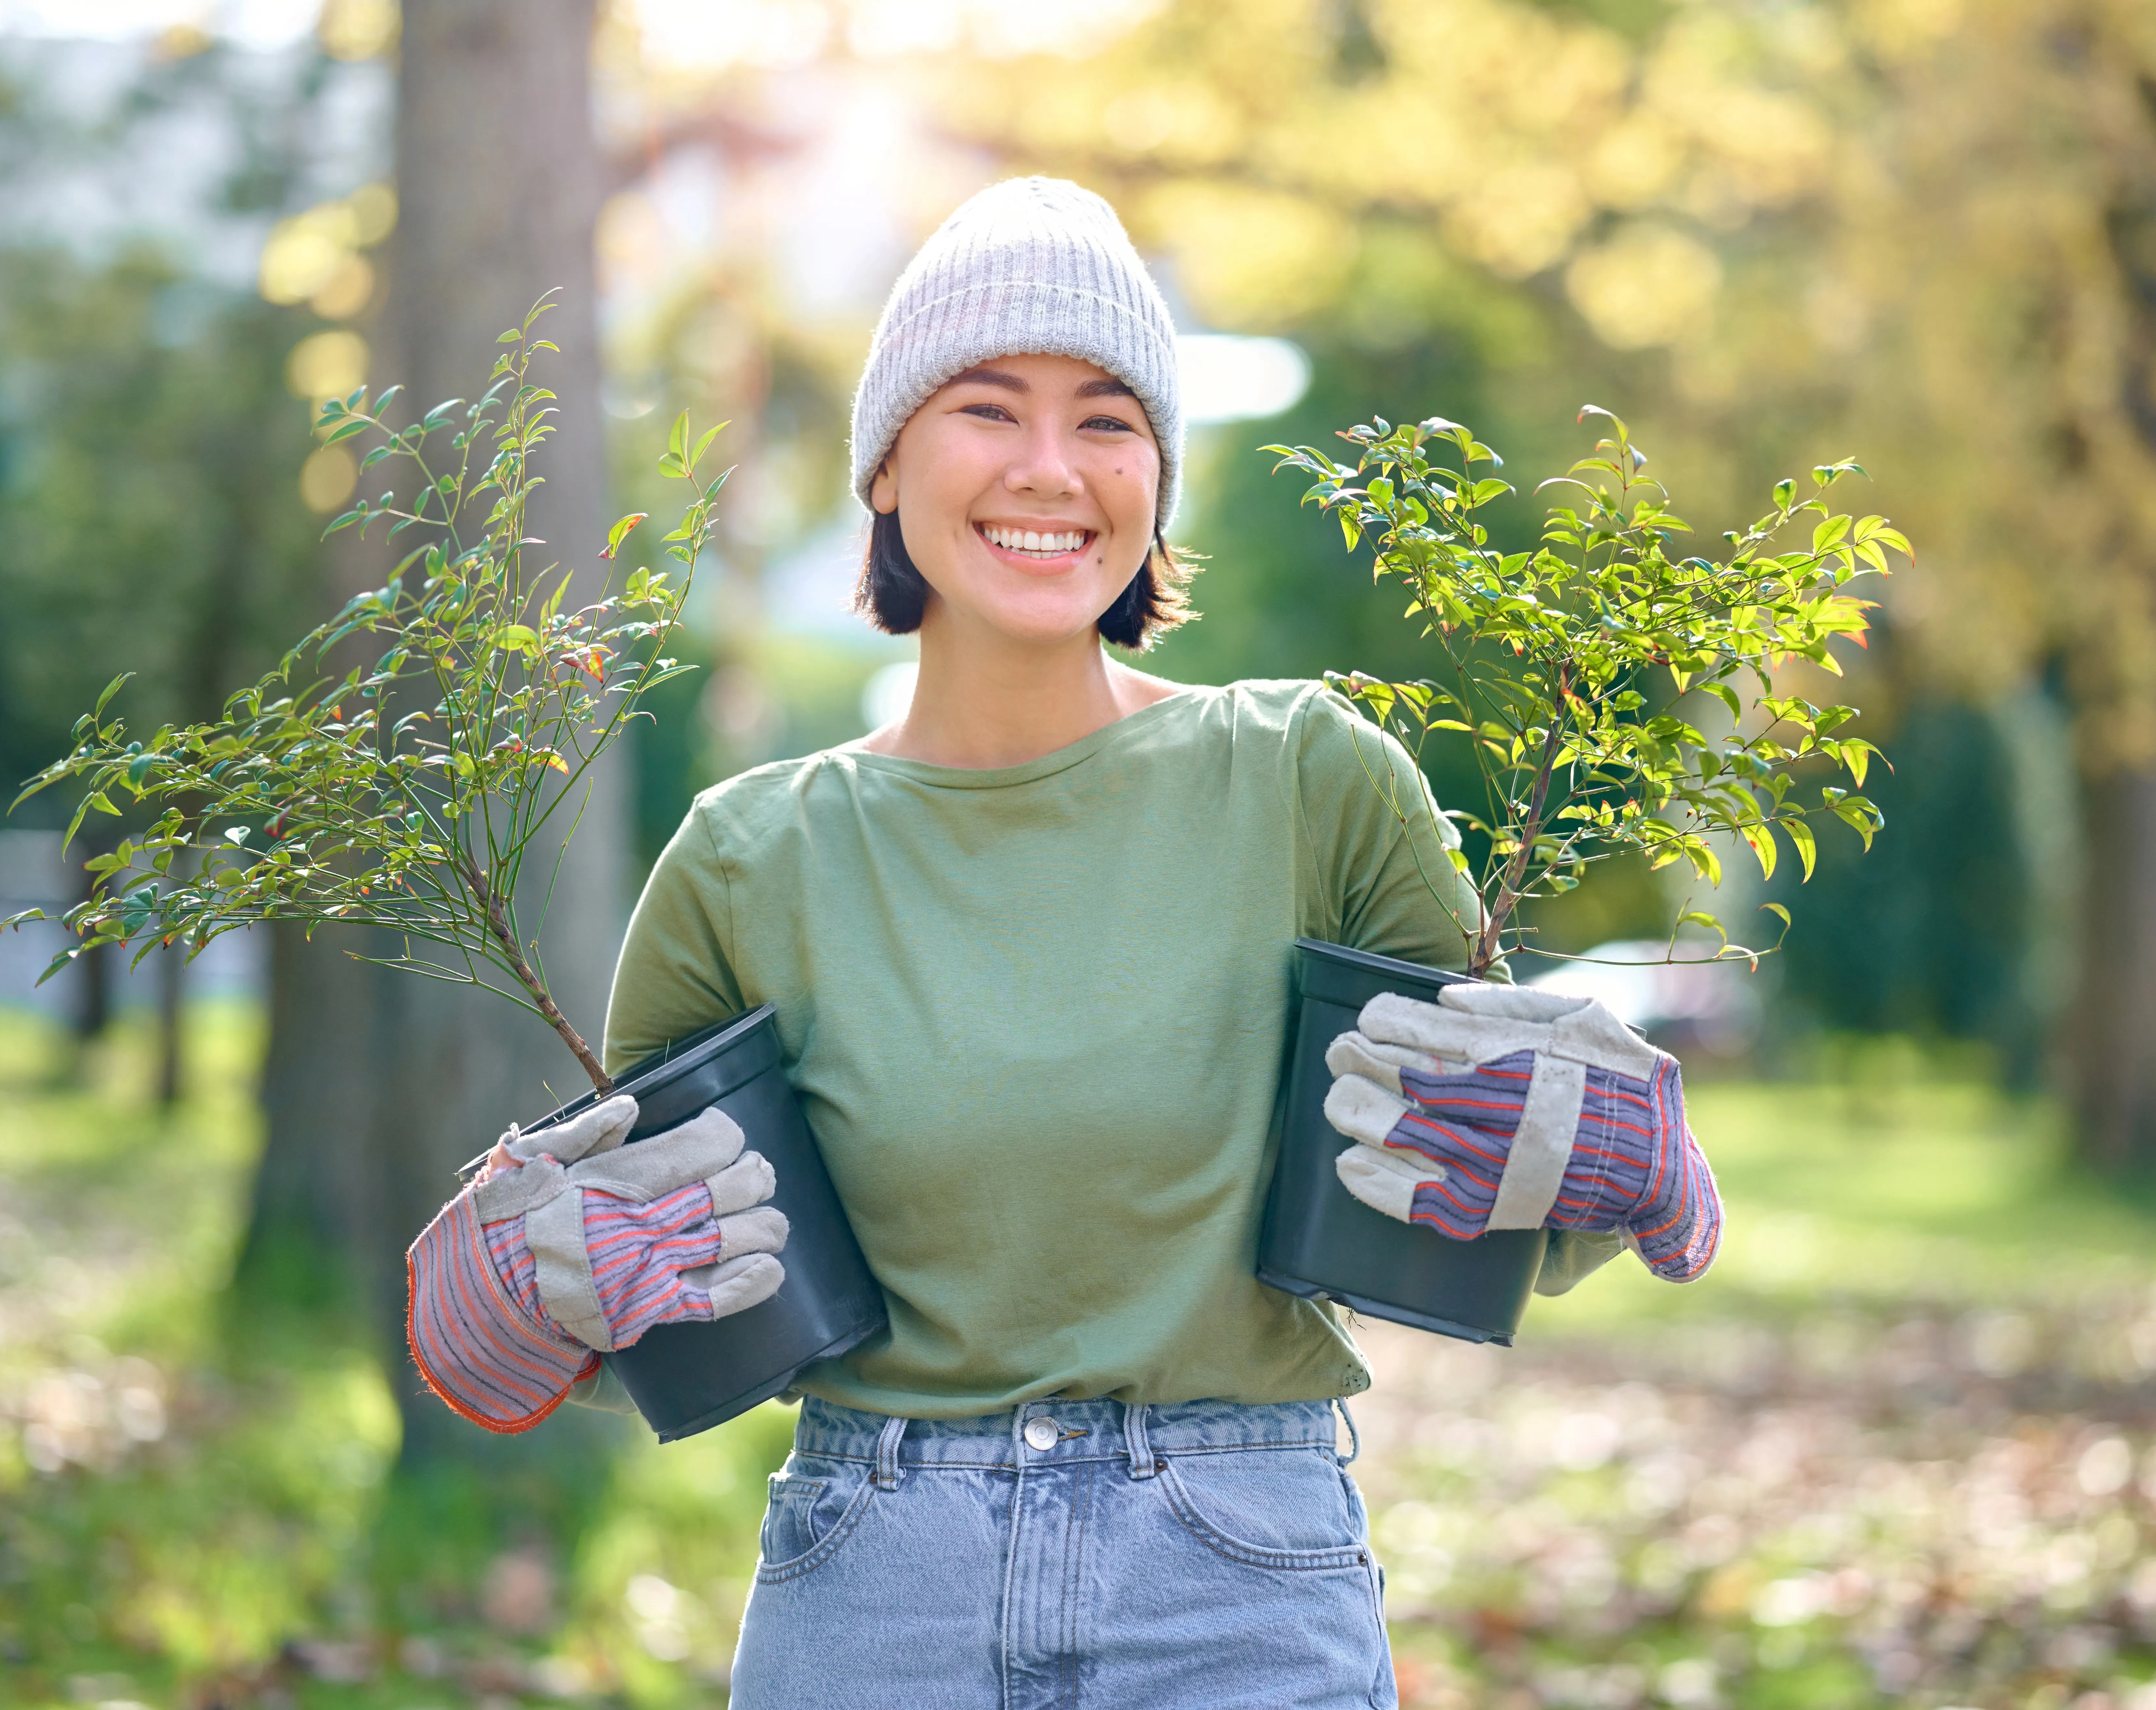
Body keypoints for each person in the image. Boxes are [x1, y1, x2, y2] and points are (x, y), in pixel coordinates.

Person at [404, 176, 1722, 1709]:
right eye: (987, 407)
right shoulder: (748, 859)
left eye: (1108, 419)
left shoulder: (1307, 779)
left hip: (1233, 1580)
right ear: (888, 464)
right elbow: (655, 1296)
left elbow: (1475, 1184)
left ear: (1157, 474)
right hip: (874, 1587)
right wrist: (521, 1284)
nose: (1051, 467)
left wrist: (1622, 1156)